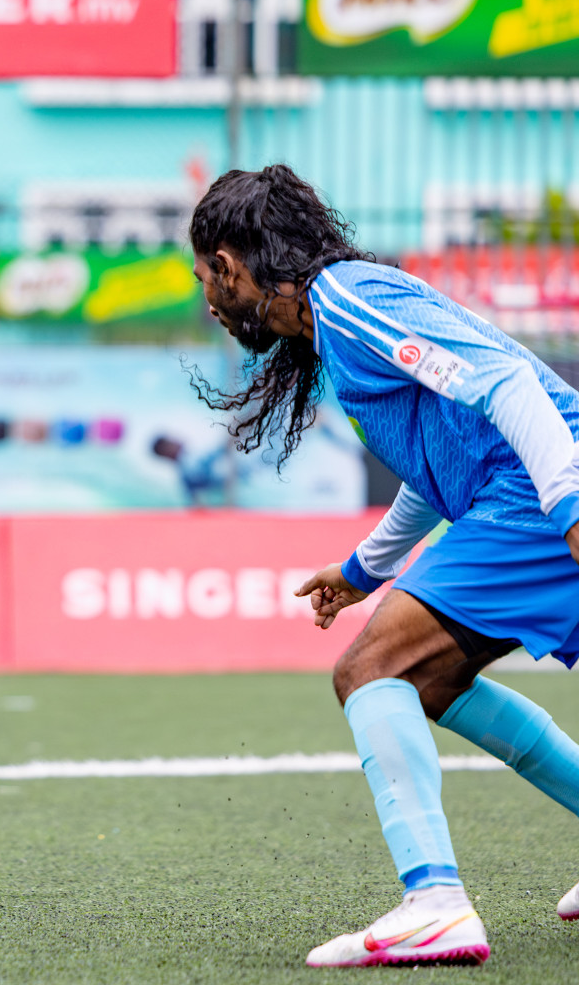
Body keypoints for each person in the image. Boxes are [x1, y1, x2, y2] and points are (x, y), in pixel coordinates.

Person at [188, 164, 579, 968]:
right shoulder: (340, 320)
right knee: (427, 679)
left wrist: (570, 504)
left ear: (232, 265)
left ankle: (435, 904)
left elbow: (507, 386)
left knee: (373, 670)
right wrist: (363, 571)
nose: (210, 303)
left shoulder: (350, 300)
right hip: (518, 498)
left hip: (535, 500)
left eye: (207, 281)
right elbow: (440, 470)